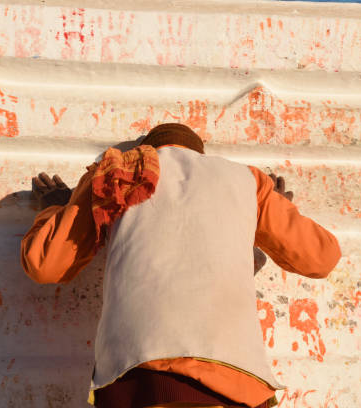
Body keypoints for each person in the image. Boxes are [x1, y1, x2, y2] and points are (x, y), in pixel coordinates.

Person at [20, 123, 341, 408]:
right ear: (200, 153)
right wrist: (275, 211)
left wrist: (56, 209)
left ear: (148, 148)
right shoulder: (247, 182)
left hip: (140, 380)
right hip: (233, 382)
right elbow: (321, 257)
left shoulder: (117, 173)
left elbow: (45, 264)